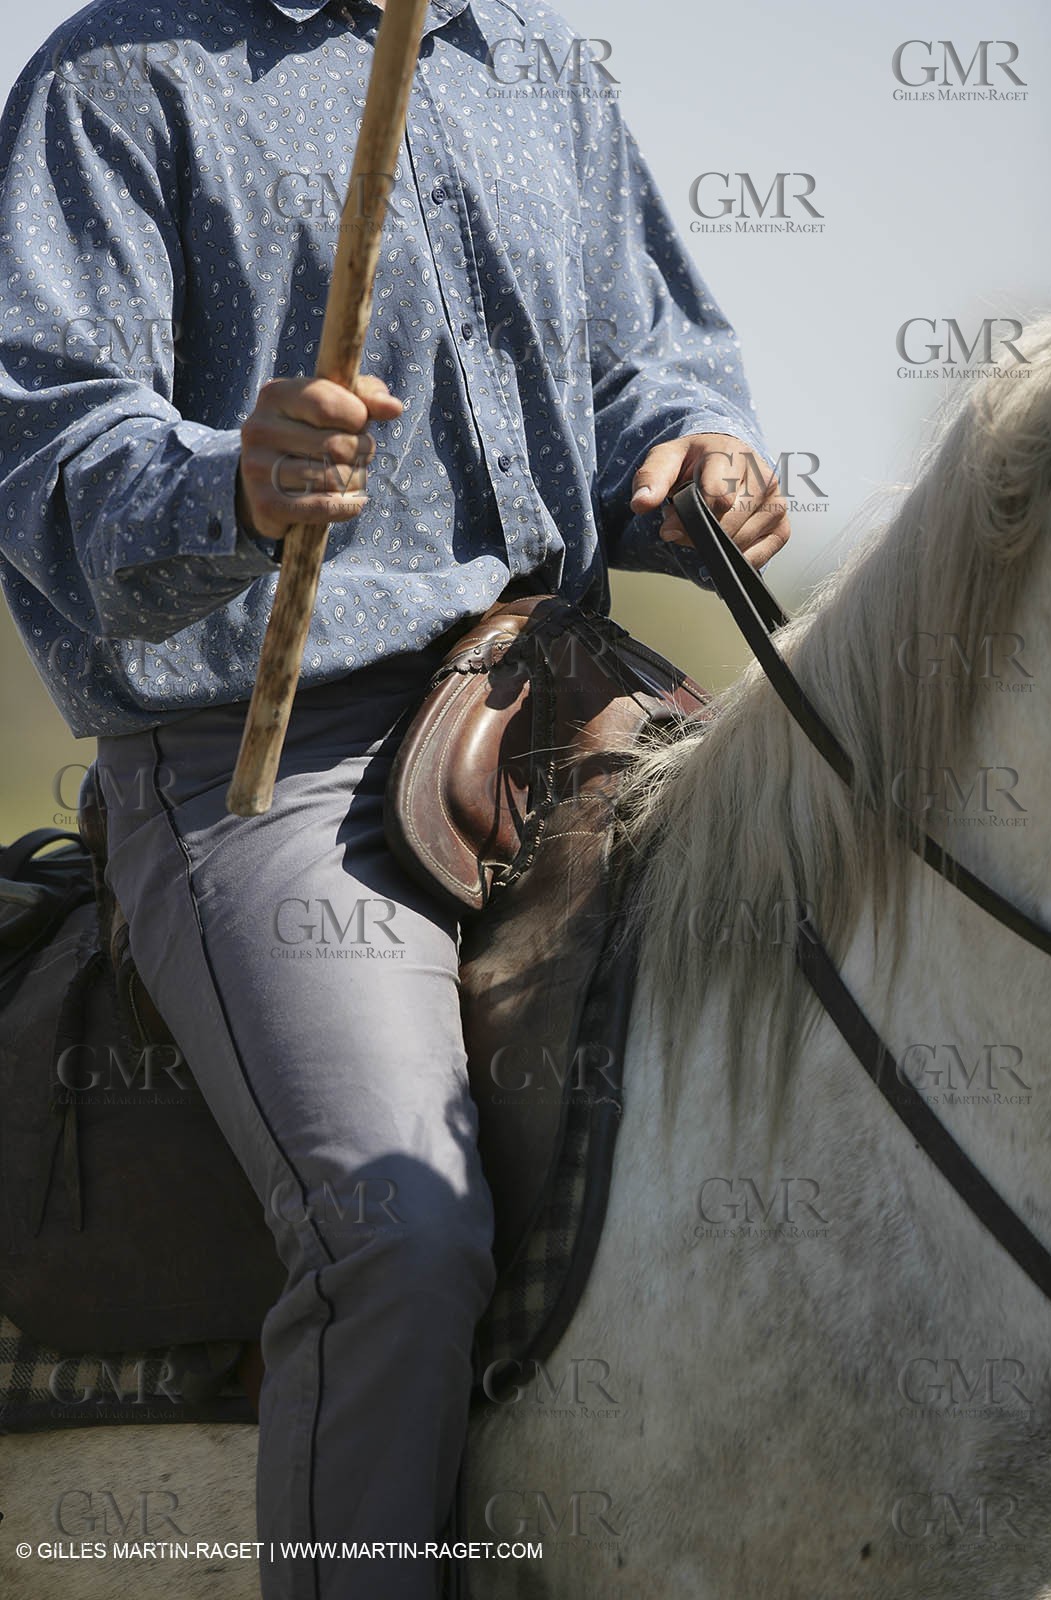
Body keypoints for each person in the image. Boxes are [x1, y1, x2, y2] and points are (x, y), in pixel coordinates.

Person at [0, 1, 790, 1595]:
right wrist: (234, 481)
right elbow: (47, 451)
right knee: (399, 1242)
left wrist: (697, 455)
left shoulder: (538, 63)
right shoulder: (114, 78)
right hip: (267, 757)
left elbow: (648, 361)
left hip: (564, 697)